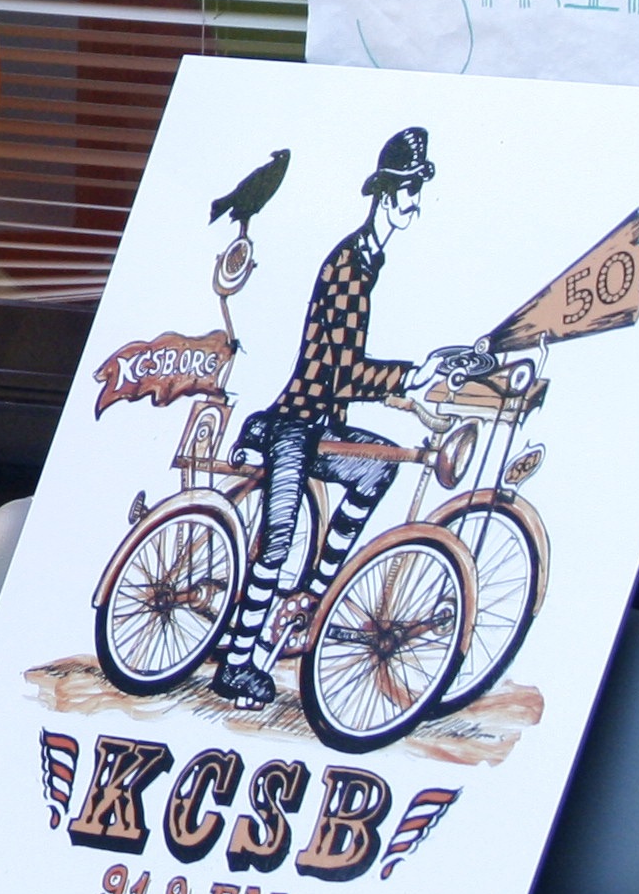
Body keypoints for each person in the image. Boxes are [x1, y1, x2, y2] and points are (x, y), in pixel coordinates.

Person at [209, 125, 493, 705]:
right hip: (297, 422)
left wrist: (411, 395)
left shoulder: (369, 260)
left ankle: (310, 599)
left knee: (378, 468)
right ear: (386, 195)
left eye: (418, 191)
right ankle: (236, 666)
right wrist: (410, 375)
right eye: (409, 191)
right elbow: (339, 373)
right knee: (278, 540)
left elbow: (347, 371)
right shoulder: (348, 266)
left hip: (325, 426)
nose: (415, 203)